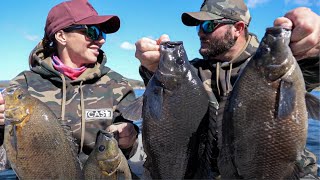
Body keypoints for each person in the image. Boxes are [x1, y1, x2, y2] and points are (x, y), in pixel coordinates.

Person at [135, 0, 320, 179]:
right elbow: (166, 107)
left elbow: (310, 71)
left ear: (238, 28)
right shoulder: (190, 74)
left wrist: (314, 48)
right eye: (198, 26)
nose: (200, 33)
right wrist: (151, 68)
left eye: (208, 26)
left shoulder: (271, 62)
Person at [0, 0, 139, 172]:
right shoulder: (22, 87)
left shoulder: (117, 84)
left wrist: (130, 137)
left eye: (103, 33)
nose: (102, 40)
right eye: (92, 31)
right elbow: (8, 150)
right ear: (61, 36)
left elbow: (131, 148)